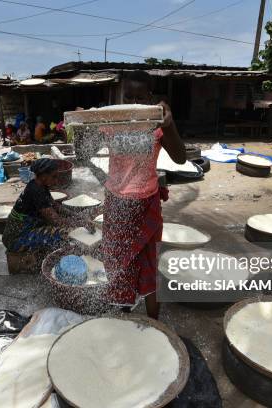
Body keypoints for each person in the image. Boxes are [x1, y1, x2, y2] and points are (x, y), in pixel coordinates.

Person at [100, 70, 186, 319]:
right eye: (128, 96)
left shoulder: (156, 123)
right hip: (116, 203)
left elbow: (180, 158)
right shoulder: (112, 121)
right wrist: (81, 126)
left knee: (150, 263)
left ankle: (153, 323)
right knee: (119, 263)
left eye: (139, 97)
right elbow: (85, 154)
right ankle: (124, 310)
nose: (132, 102)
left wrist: (169, 124)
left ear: (149, 97)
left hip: (146, 203)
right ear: (121, 95)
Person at [2, 158, 94, 253]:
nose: (56, 180)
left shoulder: (38, 186)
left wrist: (77, 216)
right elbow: (57, 221)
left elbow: (55, 206)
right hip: (15, 240)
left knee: (64, 223)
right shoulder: (36, 191)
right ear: (43, 176)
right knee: (65, 234)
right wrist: (82, 224)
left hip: (19, 232)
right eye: (54, 177)